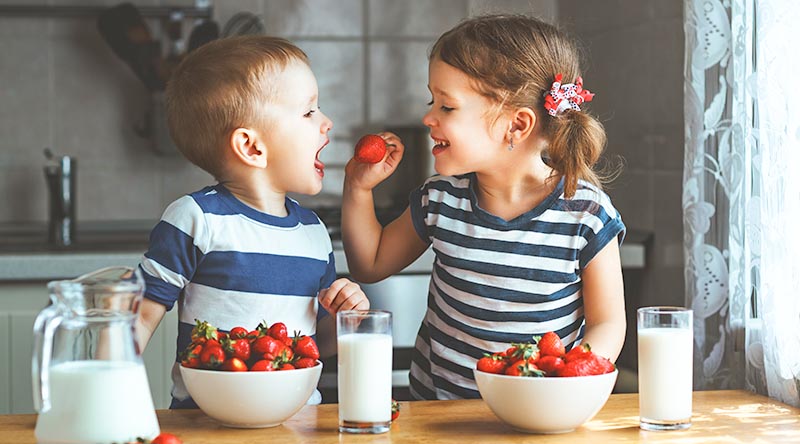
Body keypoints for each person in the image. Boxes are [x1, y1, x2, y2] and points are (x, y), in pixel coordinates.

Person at [341, 14, 626, 400]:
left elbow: (608, 324)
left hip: (535, 412)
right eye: (432, 101)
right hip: (437, 414)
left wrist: (568, 383)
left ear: (517, 125)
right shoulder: (440, 199)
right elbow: (369, 264)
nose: (428, 117)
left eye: (447, 106)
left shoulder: (586, 215)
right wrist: (358, 189)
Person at [135, 35, 369, 408]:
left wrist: (346, 321)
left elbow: (315, 344)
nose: (327, 123)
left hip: (298, 425)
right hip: (206, 426)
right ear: (252, 147)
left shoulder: (313, 233)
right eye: (309, 112)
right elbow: (139, 317)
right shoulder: (196, 220)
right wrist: (105, 394)